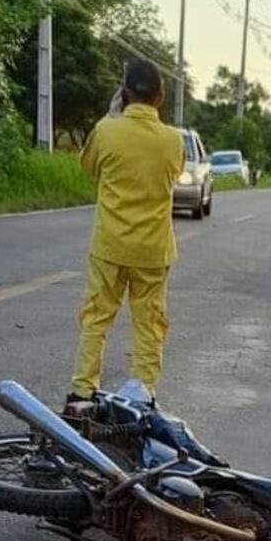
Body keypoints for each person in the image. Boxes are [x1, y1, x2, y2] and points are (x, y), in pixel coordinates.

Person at [68, 60, 184, 403]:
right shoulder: (173, 141)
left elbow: (87, 167)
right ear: (160, 97)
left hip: (110, 247)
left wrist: (110, 116)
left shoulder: (106, 131)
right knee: (149, 325)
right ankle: (143, 394)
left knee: (96, 319)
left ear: (124, 93)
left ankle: (81, 392)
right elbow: (173, 175)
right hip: (152, 251)